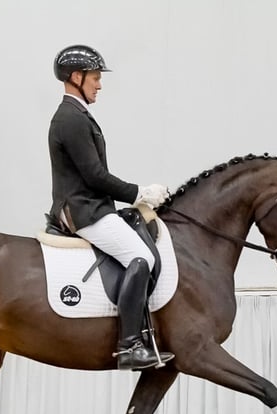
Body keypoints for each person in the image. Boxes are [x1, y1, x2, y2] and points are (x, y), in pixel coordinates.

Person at [47, 44, 174, 370]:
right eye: (95, 77)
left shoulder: (77, 115)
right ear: (76, 77)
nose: (99, 84)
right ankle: (129, 345)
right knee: (141, 256)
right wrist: (139, 193)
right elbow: (94, 175)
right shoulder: (71, 118)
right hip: (84, 209)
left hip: (91, 205)